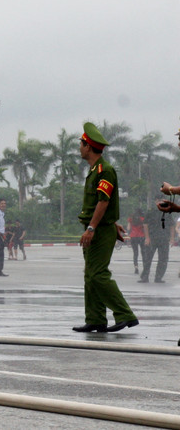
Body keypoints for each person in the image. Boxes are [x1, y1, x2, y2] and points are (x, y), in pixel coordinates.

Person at [73, 123, 138, 334]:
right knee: (90, 275)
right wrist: (108, 222)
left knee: (98, 274)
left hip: (98, 231)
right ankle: (95, 319)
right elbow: (102, 204)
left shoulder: (105, 170)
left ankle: (125, 314)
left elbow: (103, 201)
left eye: (81, 144)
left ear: (88, 147)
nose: (80, 148)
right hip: (97, 228)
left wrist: (92, 228)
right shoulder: (95, 170)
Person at [140, 201, 171, 283]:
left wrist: (171, 238)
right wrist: (147, 238)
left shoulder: (167, 212)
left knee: (163, 259)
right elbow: (145, 224)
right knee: (148, 258)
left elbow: (172, 225)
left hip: (163, 238)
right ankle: (145, 277)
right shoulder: (151, 212)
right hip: (152, 238)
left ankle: (158, 277)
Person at [127, 209, 146, 275]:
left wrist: (129, 234)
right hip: (141, 236)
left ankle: (136, 267)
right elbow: (145, 228)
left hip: (133, 236)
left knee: (135, 253)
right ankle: (145, 267)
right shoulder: (143, 219)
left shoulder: (131, 219)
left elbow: (128, 228)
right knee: (143, 253)